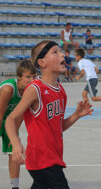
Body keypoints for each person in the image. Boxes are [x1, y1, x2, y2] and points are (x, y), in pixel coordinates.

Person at [5, 40, 93, 189]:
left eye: (60, 51)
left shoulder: (60, 91)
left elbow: (57, 127)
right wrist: (15, 143)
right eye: (55, 52)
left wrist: (76, 115)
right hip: (42, 160)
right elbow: (11, 119)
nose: (61, 54)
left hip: (54, 157)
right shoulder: (35, 89)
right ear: (42, 62)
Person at [0, 60, 37, 189]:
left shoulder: (30, 92)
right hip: (0, 116)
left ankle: (14, 186)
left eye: (34, 77)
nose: (31, 80)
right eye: (27, 77)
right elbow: (0, 114)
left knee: (14, 150)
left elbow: (20, 116)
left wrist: (14, 137)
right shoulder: (8, 89)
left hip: (8, 119)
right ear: (19, 78)